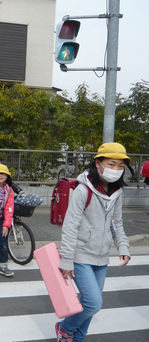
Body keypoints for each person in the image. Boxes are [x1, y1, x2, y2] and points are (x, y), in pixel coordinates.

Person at [55, 142, 132, 342]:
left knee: (90, 304)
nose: (116, 170)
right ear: (98, 164)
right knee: (93, 303)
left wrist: (123, 246)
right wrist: (67, 259)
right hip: (81, 254)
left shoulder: (117, 192)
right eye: (112, 164)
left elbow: (117, 223)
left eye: (121, 166)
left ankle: (77, 338)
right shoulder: (83, 190)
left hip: (102, 257)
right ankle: (64, 329)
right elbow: (70, 226)